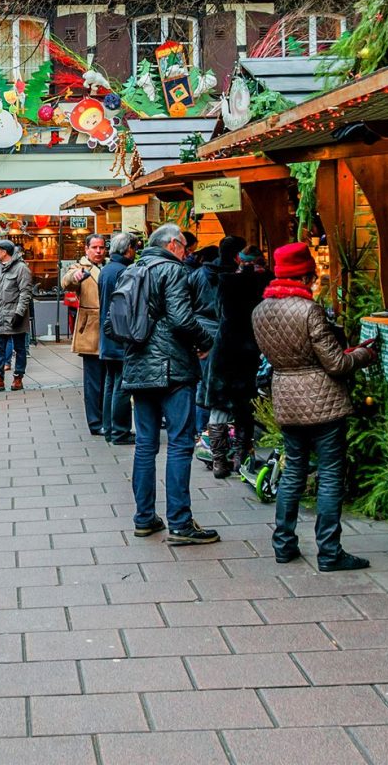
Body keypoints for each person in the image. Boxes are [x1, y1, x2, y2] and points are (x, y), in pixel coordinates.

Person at [252, 241, 376, 571]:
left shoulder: (260, 311)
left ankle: (283, 544)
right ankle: (330, 552)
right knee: (331, 473)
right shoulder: (310, 311)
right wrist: (364, 354)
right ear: (305, 276)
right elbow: (335, 364)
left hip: (287, 399)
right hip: (324, 402)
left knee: (294, 469)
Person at [122, 223, 218, 545]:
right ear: (175, 244)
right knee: (179, 443)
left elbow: (112, 325)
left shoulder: (131, 271)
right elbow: (181, 319)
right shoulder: (172, 271)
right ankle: (180, 522)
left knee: (145, 446)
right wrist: (206, 341)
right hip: (173, 370)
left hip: (137, 368)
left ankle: (144, 518)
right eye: (186, 248)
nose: (187, 253)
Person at [202, 242, 267, 477]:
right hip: (251, 350)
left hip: (225, 349)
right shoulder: (265, 282)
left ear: (239, 261)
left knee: (220, 406)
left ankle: (219, 461)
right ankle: (241, 457)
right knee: (244, 407)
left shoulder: (226, 282)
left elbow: (220, 312)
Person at [191, 236, 245, 441]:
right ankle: (224, 434)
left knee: (204, 384)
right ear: (237, 255)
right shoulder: (236, 277)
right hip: (227, 334)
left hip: (203, 332)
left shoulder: (198, 274)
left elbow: (188, 306)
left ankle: (202, 431)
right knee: (226, 387)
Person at [62, 233, 107, 435]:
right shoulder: (80, 268)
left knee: (109, 381)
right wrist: (75, 276)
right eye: (95, 247)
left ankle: (108, 419)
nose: (98, 251)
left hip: (111, 329)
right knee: (94, 382)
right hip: (91, 330)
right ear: (87, 249)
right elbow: (68, 281)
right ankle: (96, 422)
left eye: (102, 247)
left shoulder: (109, 266)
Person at [98, 231, 137, 444]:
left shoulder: (106, 270)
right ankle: (120, 431)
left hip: (108, 334)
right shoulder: (124, 271)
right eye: (134, 247)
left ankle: (110, 429)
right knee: (121, 384)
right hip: (119, 334)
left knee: (111, 383)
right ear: (128, 249)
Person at [0, 239, 32, 391]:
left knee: (19, 348)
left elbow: (25, 293)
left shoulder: (21, 268)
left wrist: (19, 313)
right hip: (0, 315)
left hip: (14, 315)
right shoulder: (0, 268)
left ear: (4, 252)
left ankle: (18, 378)